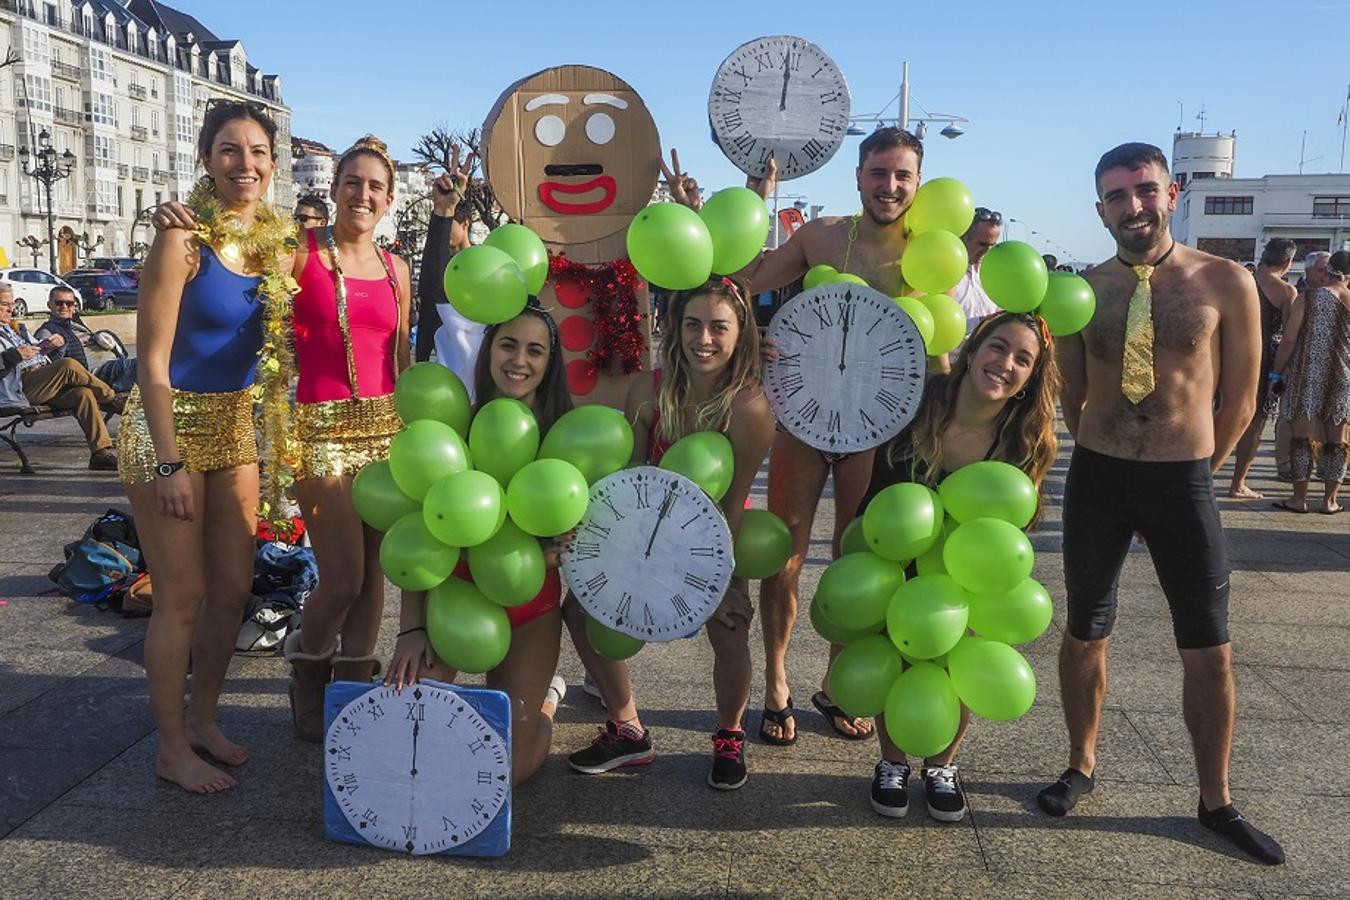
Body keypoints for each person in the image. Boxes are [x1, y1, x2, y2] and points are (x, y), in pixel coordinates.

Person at [1042, 142, 1283, 865]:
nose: (1133, 206)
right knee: (1085, 630)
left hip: (1183, 479)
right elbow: (1076, 391)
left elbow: (1240, 396)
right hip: (1100, 478)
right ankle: (1081, 763)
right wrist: (1110, 442)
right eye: (1117, 196)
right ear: (1100, 209)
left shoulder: (1225, 280)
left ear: (1172, 193)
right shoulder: (1083, 289)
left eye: (1144, 190)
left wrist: (1197, 468)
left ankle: (1216, 800)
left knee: (1209, 648)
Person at [724, 126, 923, 743]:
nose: (889, 186)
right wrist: (757, 197)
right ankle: (778, 680)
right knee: (785, 555)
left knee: (856, 558)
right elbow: (743, 282)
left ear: (917, 182)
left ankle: (839, 682)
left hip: (881, 425)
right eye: (878, 173)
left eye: (902, 176)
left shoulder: (932, 249)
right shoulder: (821, 236)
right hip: (805, 417)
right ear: (858, 174)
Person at [119, 100, 295, 793]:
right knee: (183, 598)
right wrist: (168, 464)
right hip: (165, 426)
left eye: (256, 151)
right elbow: (151, 362)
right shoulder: (181, 241)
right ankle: (171, 747)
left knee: (232, 591)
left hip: (234, 425)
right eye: (228, 150)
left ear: (273, 165)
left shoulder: (279, 247)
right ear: (205, 160)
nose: (243, 164)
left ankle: (204, 718)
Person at [562, 277, 775, 789]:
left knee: (730, 628)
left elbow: (733, 502)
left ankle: (729, 735)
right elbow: (628, 480)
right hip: (645, 526)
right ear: (674, 329)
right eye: (693, 325)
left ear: (740, 333)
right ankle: (628, 728)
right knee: (577, 608)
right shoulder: (647, 389)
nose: (704, 338)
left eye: (719, 328)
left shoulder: (749, 407)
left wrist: (722, 586)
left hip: (714, 535)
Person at [859, 311, 1058, 822]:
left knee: (964, 655)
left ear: (1028, 380)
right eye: (997, 347)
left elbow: (1011, 528)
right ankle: (892, 763)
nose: (1004, 364)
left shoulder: (1020, 441)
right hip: (895, 550)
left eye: (1022, 359)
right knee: (895, 647)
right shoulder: (918, 401)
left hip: (971, 571)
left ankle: (942, 766)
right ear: (972, 350)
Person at [385, 301, 572, 784]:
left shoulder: (564, 436)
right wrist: (411, 629)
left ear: (550, 363)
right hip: (454, 602)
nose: (520, 361)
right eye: (508, 345)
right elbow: (418, 536)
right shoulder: (452, 429)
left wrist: (563, 544)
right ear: (488, 351)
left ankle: (545, 703)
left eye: (536, 350)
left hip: (530, 606)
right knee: (402, 743)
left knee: (511, 771)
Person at [280, 136, 411, 739]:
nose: (363, 194)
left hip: (386, 434)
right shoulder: (296, 253)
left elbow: (402, 357)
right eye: (352, 183)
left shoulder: (396, 267)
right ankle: (308, 674)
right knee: (342, 579)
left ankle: (355, 690)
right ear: (333, 190)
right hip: (320, 433)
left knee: (375, 576)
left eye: (375, 186)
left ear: (387, 200)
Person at [0, 283, 118, 469]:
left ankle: (100, 453)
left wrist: (54, 346)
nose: (10, 308)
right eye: (3, 304)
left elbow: (40, 352)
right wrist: (16, 355)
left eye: (11, 303)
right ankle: (112, 398)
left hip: (39, 380)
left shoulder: (16, 328)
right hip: (16, 387)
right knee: (68, 365)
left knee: (83, 394)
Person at [1270, 248, 1350, 514]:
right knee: (1336, 440)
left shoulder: (1308, 298)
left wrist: (1276, 373)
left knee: (1302, 437)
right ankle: (1330, 501)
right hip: (1343, 379)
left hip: (1307, 375)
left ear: (1328, 270)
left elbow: (1289, 340)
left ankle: (1299, 498)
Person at [1228, 238, 1297, 499]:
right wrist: (1277, 375)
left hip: (1231, 353)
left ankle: (1201, 475)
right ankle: (1238, 483)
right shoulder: (1286, 292)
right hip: (1264, 359)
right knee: (1255, 424)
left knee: (1219, 414)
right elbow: (1289, 339)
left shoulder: (1241, 278)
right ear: (1288, 262)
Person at [414, 147, 480, 378]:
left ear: (466, 224)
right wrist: (443, 210)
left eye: (451, 222)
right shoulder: (436, 263)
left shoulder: (483, 266)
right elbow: (429, 300)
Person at [953, 207, 1004, 336]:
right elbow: (942, 325)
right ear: (964, 237)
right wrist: (980, 323)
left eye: (992, 245)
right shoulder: (948, 275)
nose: (987, 250)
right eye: (982, 244)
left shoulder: (995, 278)